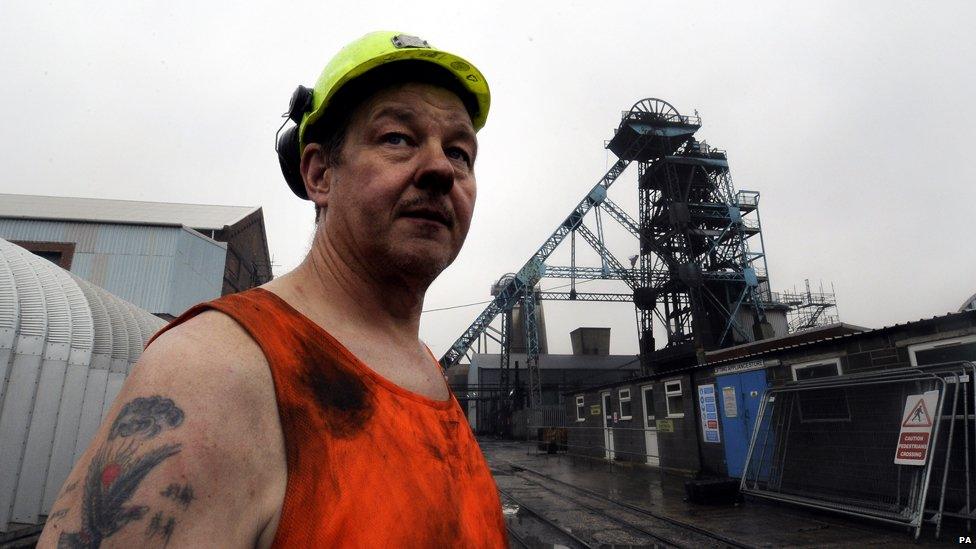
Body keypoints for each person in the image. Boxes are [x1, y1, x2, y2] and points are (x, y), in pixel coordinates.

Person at [39, 31, 508, 548]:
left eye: (460, 152)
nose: (442, 168)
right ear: (320, 173)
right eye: (397, 138)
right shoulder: (219, 370)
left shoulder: (426, 370)